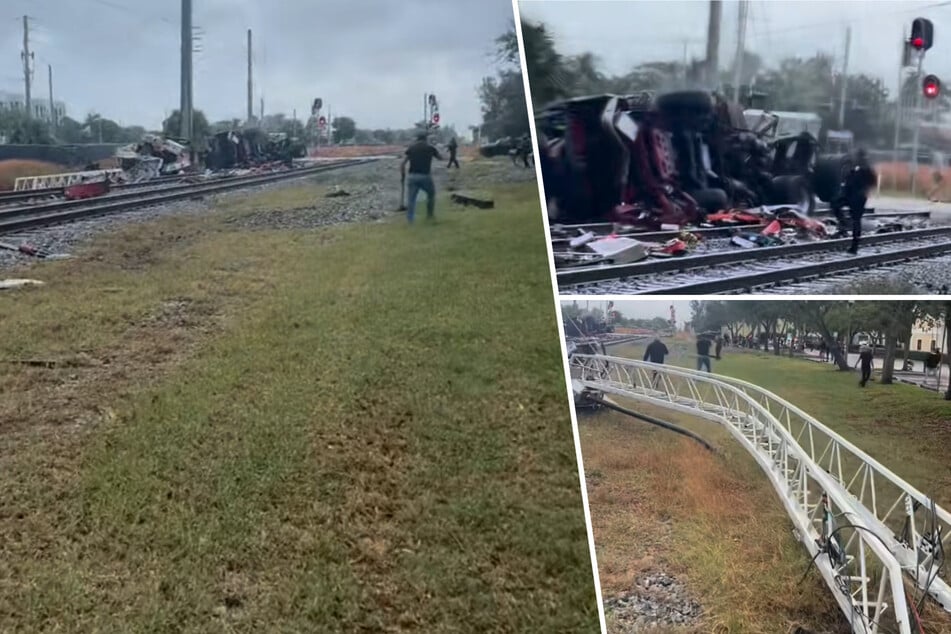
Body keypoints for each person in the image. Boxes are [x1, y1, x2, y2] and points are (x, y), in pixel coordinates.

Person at [832, 148, 877, 255]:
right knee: (835, 204)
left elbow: (873, 183)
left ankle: (854, 246)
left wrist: (864, 191)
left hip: (859, 197)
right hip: (849, 195)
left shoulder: (867, 169)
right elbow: (847, 179)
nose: (857, 158)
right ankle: (843, 222)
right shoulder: (853, 166)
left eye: (859, 156)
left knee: (856, 220)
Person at [400, 133, 443, 224]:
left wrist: (403, 175)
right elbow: (440, 158)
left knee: (411, 199)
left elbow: (403, 163)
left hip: (412, 176)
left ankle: (410, 220)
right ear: (426, 139)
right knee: (431, 194)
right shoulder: (430, 148)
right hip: (425, 176)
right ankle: (429, 215)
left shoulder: (411, 148)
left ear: (417, 139)